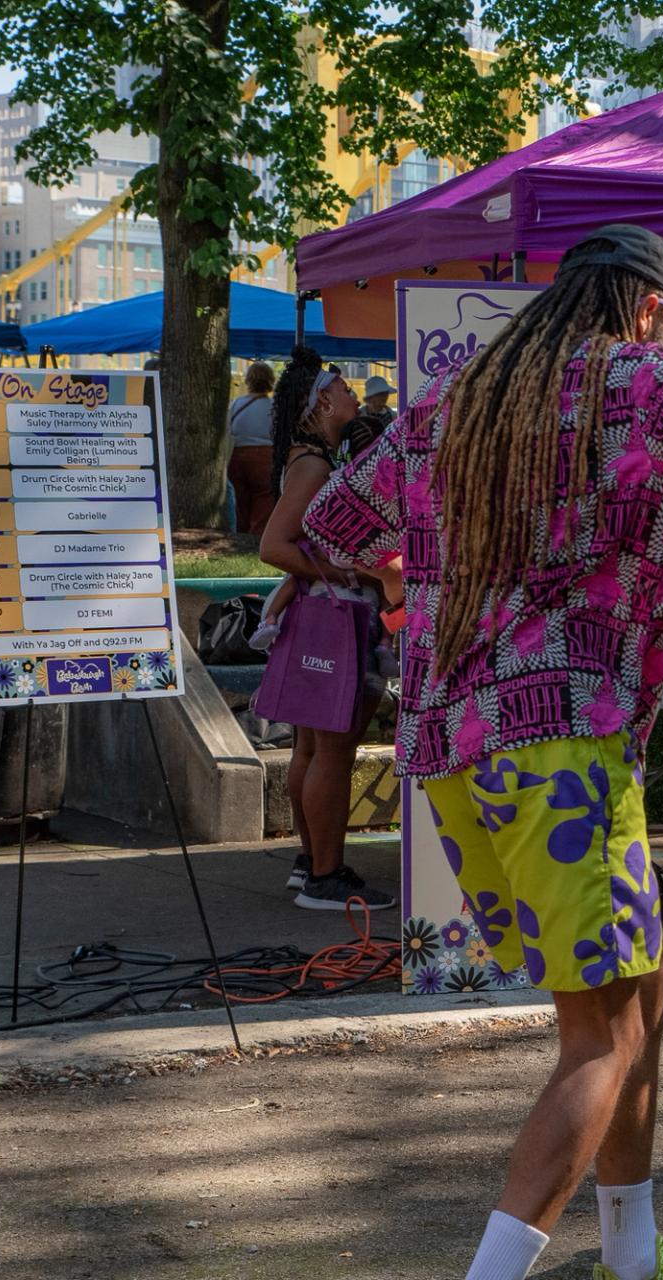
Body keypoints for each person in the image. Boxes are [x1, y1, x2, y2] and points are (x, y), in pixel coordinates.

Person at [301, 223, 663, 1280]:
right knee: (598, 1037)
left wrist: (412, 579)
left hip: (456, 745)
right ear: (650, 308)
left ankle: (635, 1255)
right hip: (564, 742)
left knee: (646, 974)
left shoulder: (461, 400)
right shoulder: (635, 380)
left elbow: (328, 522)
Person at [257, 350, 399, 912]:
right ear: (319, 403)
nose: (352, 391)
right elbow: (275, 546)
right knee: (333, 750)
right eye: (341, 386)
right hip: (336, 617)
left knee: (312, 747)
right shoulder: (314, 467)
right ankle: (326, 876)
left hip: (317, 616)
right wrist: (344, 572)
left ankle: (310, 862)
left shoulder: (311, 460)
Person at [227, 361, 277, 535]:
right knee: (265, 500)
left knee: (240, 502)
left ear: (248, 380)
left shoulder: (237, 404)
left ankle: (241, 535)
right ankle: (257, 537)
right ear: (270, 381)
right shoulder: (274, 407)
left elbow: (229, 430)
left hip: (237, 458)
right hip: (266, 459)